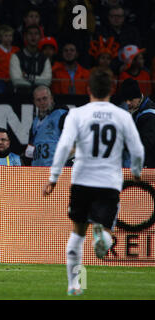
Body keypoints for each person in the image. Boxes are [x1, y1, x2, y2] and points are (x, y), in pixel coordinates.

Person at [42, 69, 145, 296]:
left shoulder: (77, 115)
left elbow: (62, 147)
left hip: (82, 180)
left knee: (77, 234)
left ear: (88, 89)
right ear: (111, 91)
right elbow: (137, 149)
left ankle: (74, 285)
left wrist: (53, 177)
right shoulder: (122, 116)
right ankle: (103, 236)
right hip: (108, 182)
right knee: (106, 232)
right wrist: (136, 171)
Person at [25, 86, 68, 166]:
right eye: (38, 100)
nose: (42, 102)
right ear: (35, 102)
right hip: (37, 171)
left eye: (45, 98)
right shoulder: (35, 122)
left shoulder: (62, 115)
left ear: (51, 98)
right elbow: (30, 149)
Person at [120, 78, 155, 168]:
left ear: (138, 97)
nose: (128, 103)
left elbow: (146, 146)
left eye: (131, 99)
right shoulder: (135, 109)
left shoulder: (149, 115)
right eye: (125, 99)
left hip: (148, 167)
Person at [9, 25, 52, 94]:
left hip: (40, 97)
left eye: (36, 34)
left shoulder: (44, 58)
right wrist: (38, 80)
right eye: (30, 34)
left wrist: (26, 76)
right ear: (25, 37)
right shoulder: (16, 56)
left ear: (40, 37)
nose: (33, 36)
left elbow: (47, 81)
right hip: (20, 96)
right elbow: (16, 80)